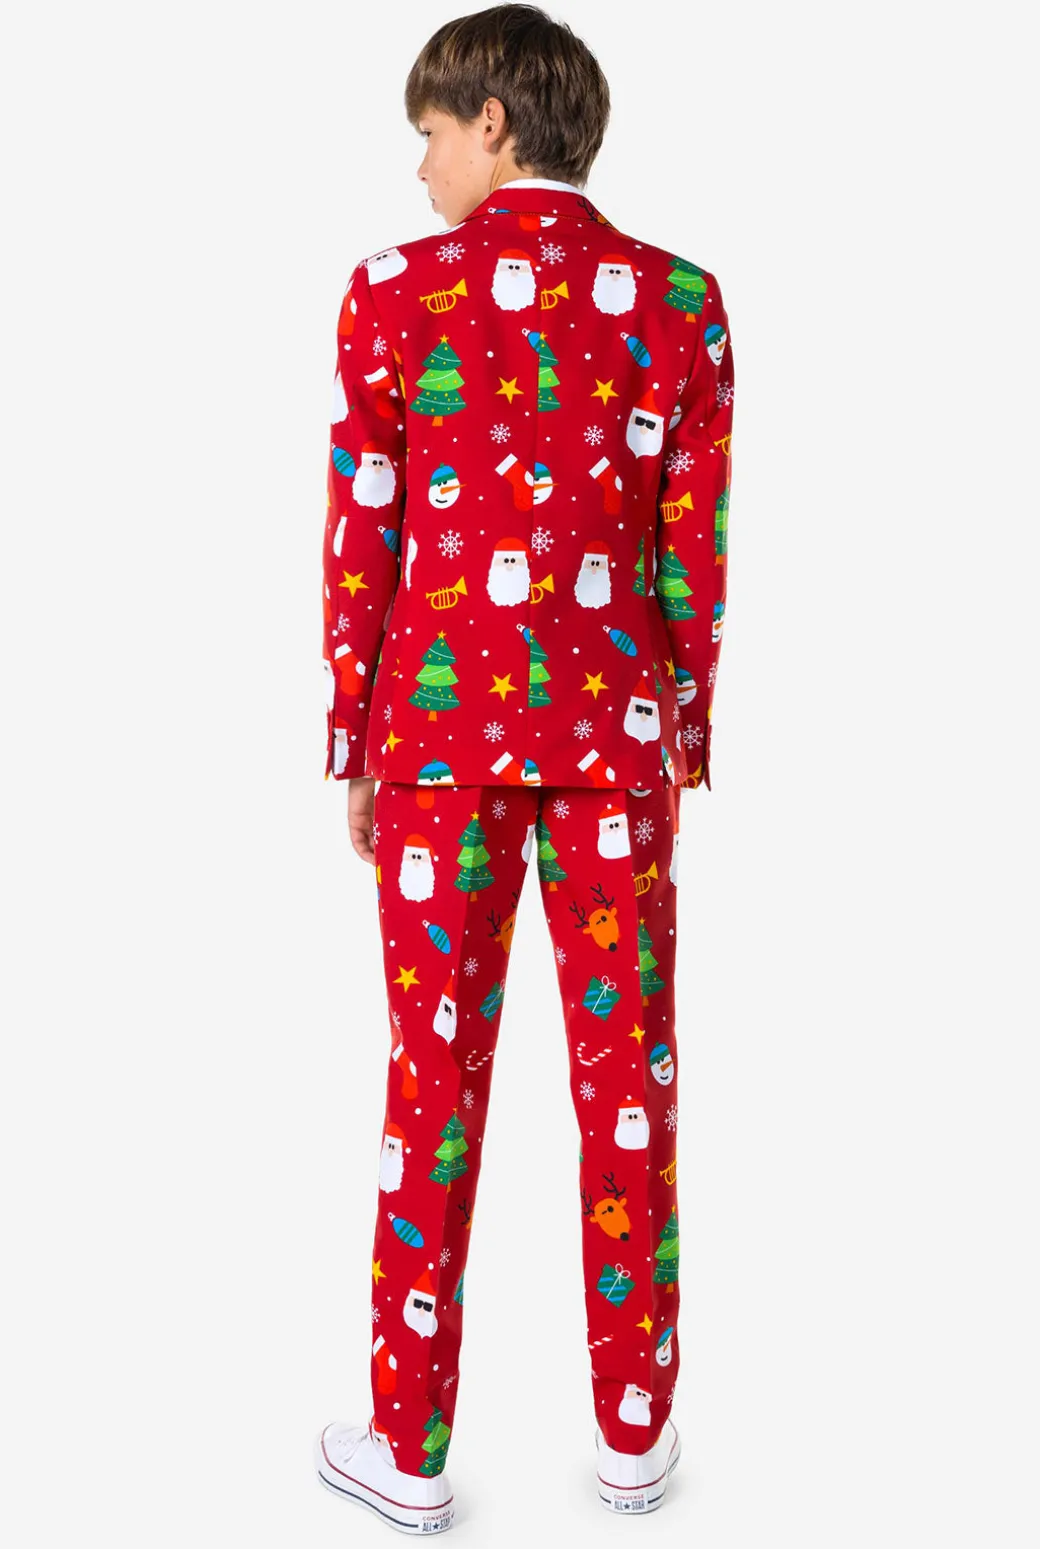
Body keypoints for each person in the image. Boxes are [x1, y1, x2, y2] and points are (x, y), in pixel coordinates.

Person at [315, 4, 734, 1533]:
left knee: (431, 1083)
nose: (421, 165)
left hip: (439, 753)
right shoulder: (681, 303)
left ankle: (408, 1449)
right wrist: (682, 729)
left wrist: (356, 732)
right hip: (616, 746)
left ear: (495, 122)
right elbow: (693, 557)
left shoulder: (389, 293)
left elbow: (366, 529)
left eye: (430, 132)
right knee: (629, 1083)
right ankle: (635, 1437)